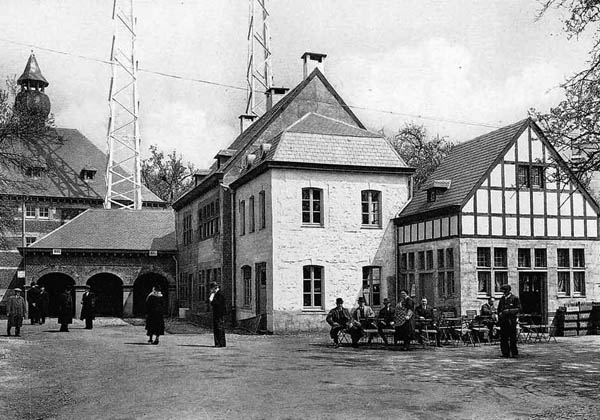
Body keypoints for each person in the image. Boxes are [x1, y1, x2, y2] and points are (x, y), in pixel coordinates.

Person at [497, 284, 521, 358]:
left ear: (508, 290)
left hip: (511, 321)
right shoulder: (502, 299)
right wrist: (500, 314)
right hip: (503, 321)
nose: (503, 292)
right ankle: (505, 353)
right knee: (503, 338)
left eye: (504, 291)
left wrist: (508, 311)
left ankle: (514, 353)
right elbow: (499, 309)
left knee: (512, 338)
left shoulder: (515, 298)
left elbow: (518, 309)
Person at [209, 281, 227, 347]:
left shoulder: (219, 294)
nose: (211, 290)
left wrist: (212, 300)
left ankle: (220, 343)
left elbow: (218, 304)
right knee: (218, 328)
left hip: (219, 314)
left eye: (212, 288)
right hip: (217, 313)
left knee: (219, 328)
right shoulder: (217, 294)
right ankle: (219, 343)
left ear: (214, 288)